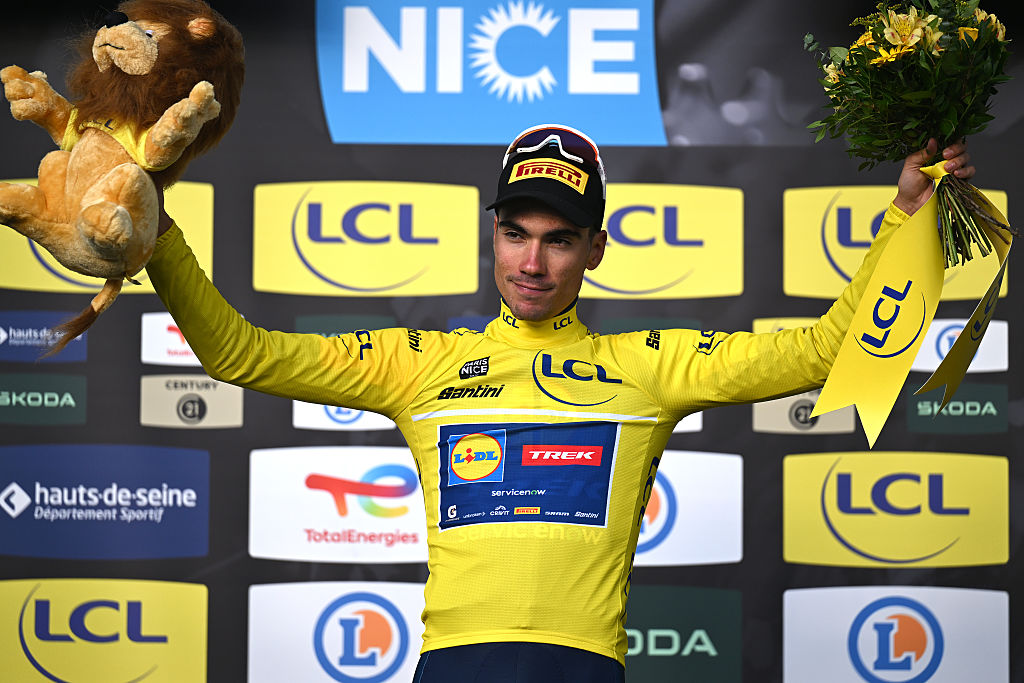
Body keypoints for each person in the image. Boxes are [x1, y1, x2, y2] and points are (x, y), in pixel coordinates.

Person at [147, 125, 973, 682]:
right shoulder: (423, 362)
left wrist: (904, 215)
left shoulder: (651, 365)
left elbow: (826, 348)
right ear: (493, 234)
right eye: (517, 233)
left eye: (560, 238)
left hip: (583, 663)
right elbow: (236, 351)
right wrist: (157, 234)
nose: (533, 261)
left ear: (595, 249)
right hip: (454, 663)